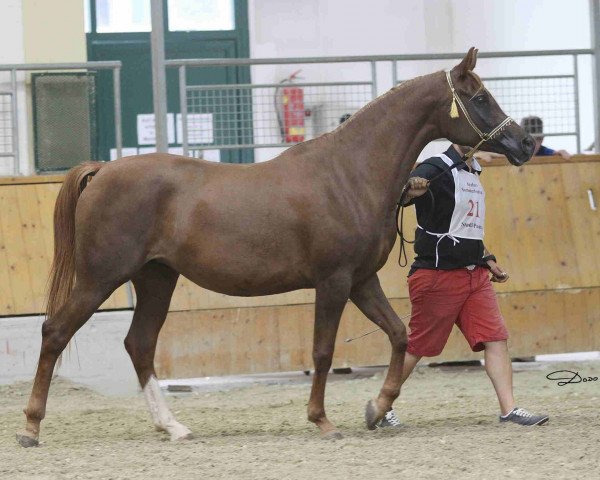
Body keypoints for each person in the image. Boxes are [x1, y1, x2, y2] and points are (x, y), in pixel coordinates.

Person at [379, 144, 549, 428]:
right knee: (418, 346)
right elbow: (400, 194)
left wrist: (487, 258)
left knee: (495, 338)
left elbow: (467, 227)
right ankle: (383, 406)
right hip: (437, 275)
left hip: (475, 274)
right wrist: (410, 190)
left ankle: (509, 410)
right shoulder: (436, 166)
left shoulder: (473, 170)